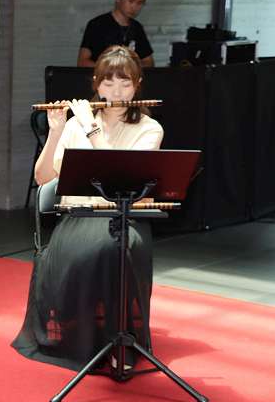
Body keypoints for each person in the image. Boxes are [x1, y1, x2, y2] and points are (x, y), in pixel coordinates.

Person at [13, 46, 163, 372]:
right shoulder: (75, 125)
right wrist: (56, 132)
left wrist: (92, 130)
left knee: (116, 247)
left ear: (137, 85)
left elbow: (120, 178)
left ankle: (118, 339)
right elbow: (43, 178)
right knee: (99, 247)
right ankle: (82, 336)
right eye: (108, 83)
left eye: (125, 83)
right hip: (78, 218)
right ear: (96, 84)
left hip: (123, 218)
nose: (116, 92)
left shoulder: (149, 128)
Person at [78, 0, 154, 68]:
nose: (134, 7)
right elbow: (82, 62)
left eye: (139, 3)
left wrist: (130, 67)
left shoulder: (137, 28)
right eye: (131, 1)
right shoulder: (97, 25)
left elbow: (149, 62)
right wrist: (112, 69)